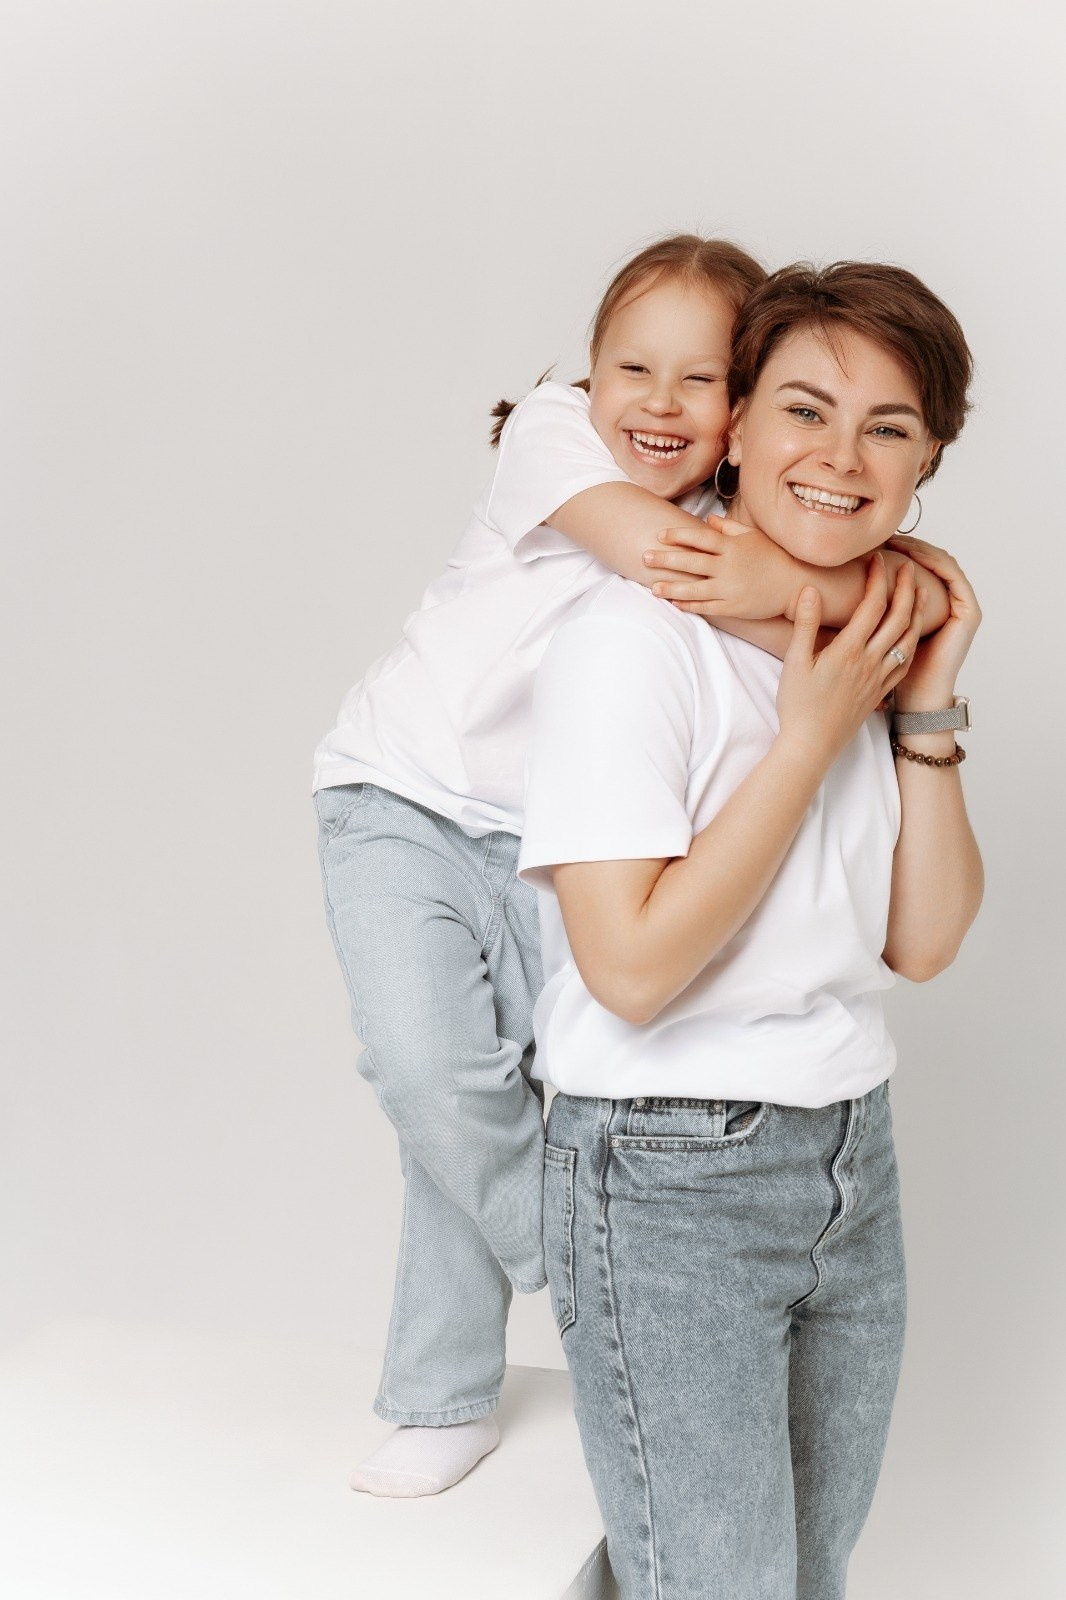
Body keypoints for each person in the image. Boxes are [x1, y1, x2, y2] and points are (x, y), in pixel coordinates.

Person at [312, 238, 950, 1498]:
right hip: (406, 795)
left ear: (741, 406)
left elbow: (919, 594)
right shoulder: (553, 438)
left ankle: (442, 1390)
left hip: (564, 836)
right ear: (587, 373)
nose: (658, 403)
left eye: (699, 380)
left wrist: (843, 588)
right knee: (430, 1074)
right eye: (630, 369)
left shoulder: (747, 499)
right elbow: (690, 570)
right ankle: (581, 1259)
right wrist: (817, 588)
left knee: (527, 1083)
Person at [521, 261, 982, 1597]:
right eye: (803, 410)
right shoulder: (632, 639)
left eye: (886, 427)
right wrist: (808, 741)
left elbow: (922, 943)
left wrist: (924, 704)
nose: (839, 458)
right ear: (734, 428)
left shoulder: (863, 633)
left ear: (925, 460)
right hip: (666, 1165)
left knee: (798, 1574)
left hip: (847, 1148)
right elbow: (629, 969)